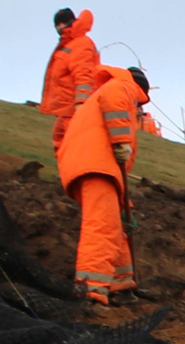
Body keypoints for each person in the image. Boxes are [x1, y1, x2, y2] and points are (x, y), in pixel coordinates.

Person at [60, 64, 149, 305]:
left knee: (114, 224)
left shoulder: (100, 94)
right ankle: (90, 290)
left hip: (94, 167)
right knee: (102, 226)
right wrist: (121, 140)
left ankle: (121, 285)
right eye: (140, 105)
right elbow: (115, 100)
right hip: (98, 167)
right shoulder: (122, 85)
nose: (139, 109)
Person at [39, 8, 101, 156]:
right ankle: (68, 176)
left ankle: (73, 176)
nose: (58, 28)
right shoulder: (69, 43)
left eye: (59, 24)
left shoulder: (80, 43)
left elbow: (84, 76)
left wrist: (81, 103)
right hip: (67, 109)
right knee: (63, 146)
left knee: (72, 148)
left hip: (74, 110)